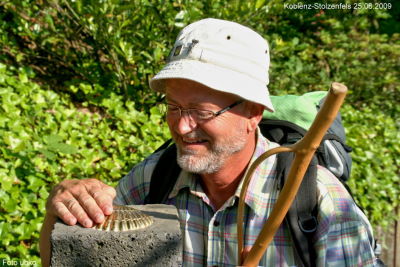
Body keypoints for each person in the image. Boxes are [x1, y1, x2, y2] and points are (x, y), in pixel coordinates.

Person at [40, 18, 377, 266]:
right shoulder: (152, 181)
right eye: (173, 107)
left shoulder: (318, 200)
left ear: (253, 113)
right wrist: (60, 212)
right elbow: (79, 255)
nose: (183, 127)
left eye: (202, 112)